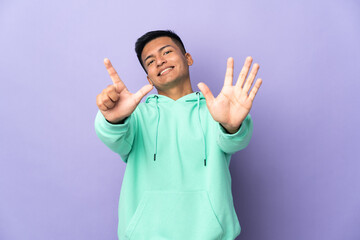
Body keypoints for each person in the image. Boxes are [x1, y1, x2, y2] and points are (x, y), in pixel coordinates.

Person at [95, 30, 262, 240]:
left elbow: (235, 141)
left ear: (188, 58)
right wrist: (112, 119)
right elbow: (112, 136)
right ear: (148, 77)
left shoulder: (216, 110)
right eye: (150, 61)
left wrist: (231, 125)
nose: (160, 61)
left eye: (166, 52)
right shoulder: (136, 116)